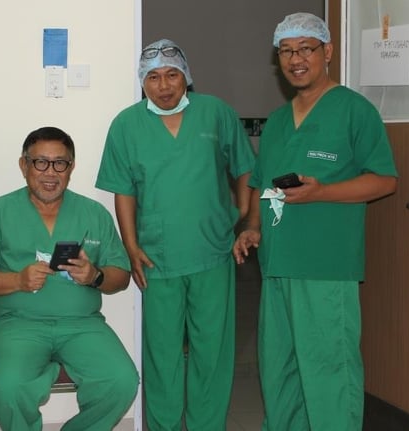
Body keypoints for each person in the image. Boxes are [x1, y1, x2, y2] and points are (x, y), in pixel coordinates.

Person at [233, 12, 398, 431]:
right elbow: (262, 183)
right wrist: (252, 227)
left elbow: (384, 180)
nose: (296, 59)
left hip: (326, 267)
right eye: (286, 51)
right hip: (277, 267)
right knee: (280, 373)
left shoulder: (354, 111)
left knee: (329, 375)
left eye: (306, 48)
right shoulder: (277, 122)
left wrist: (321, 192)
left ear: (327, 51)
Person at [95, 39, 256, 430]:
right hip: (157, 256)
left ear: (186, 76)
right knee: (162, 353)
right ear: (142, 81)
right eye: (153, 77)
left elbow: (245, 166)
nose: (163, 86)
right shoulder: (126, 125)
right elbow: (123, 191)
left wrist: (241, 212)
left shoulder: (216, 113)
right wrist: (131, 246)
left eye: (171, 74)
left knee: (212, 349)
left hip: (212, 251)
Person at [0, 126, 139, 431]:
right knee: (9, 388)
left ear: (71, 167)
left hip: (82, 325)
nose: (50, 172)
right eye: (40, 162)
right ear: (24, 165)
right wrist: (17, 281)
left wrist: (95, 276)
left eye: (60, 163)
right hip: (18, 326)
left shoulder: (94, 214)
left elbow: (121, 277)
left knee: (122, 381)